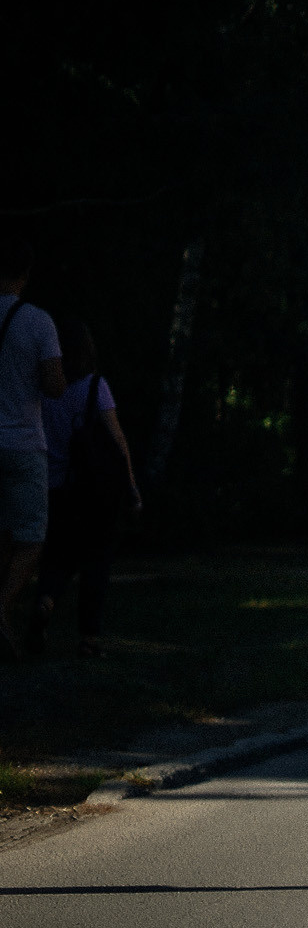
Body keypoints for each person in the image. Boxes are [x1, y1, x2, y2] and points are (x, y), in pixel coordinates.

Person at [36, 318, 142, 659]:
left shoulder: (46, 390)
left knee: (58, 557)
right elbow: (117, 439)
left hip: (55, 486)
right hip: (92, 491)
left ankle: (45, 600)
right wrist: (131, 487)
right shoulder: (95, 386)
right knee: (96, 561)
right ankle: (89, 639)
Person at [0, 226, 67, 663]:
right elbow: (55, 385)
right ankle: (2, 604)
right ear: (25, 274)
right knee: (30, 538)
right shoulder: (39, 321)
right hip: (24, 443)